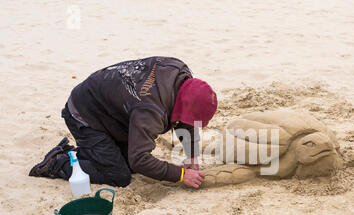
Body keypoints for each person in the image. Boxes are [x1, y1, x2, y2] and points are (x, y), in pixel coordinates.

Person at [29, 56, 218, 188]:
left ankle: (86, 154)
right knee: (119, 175)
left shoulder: (179, 71)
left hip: (115, 109)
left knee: (126, 162)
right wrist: (181, 175)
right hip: (85, 114)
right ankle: (57, 161)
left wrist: (192, 156)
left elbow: (186, 115)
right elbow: (140, 160)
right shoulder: (150, 111)